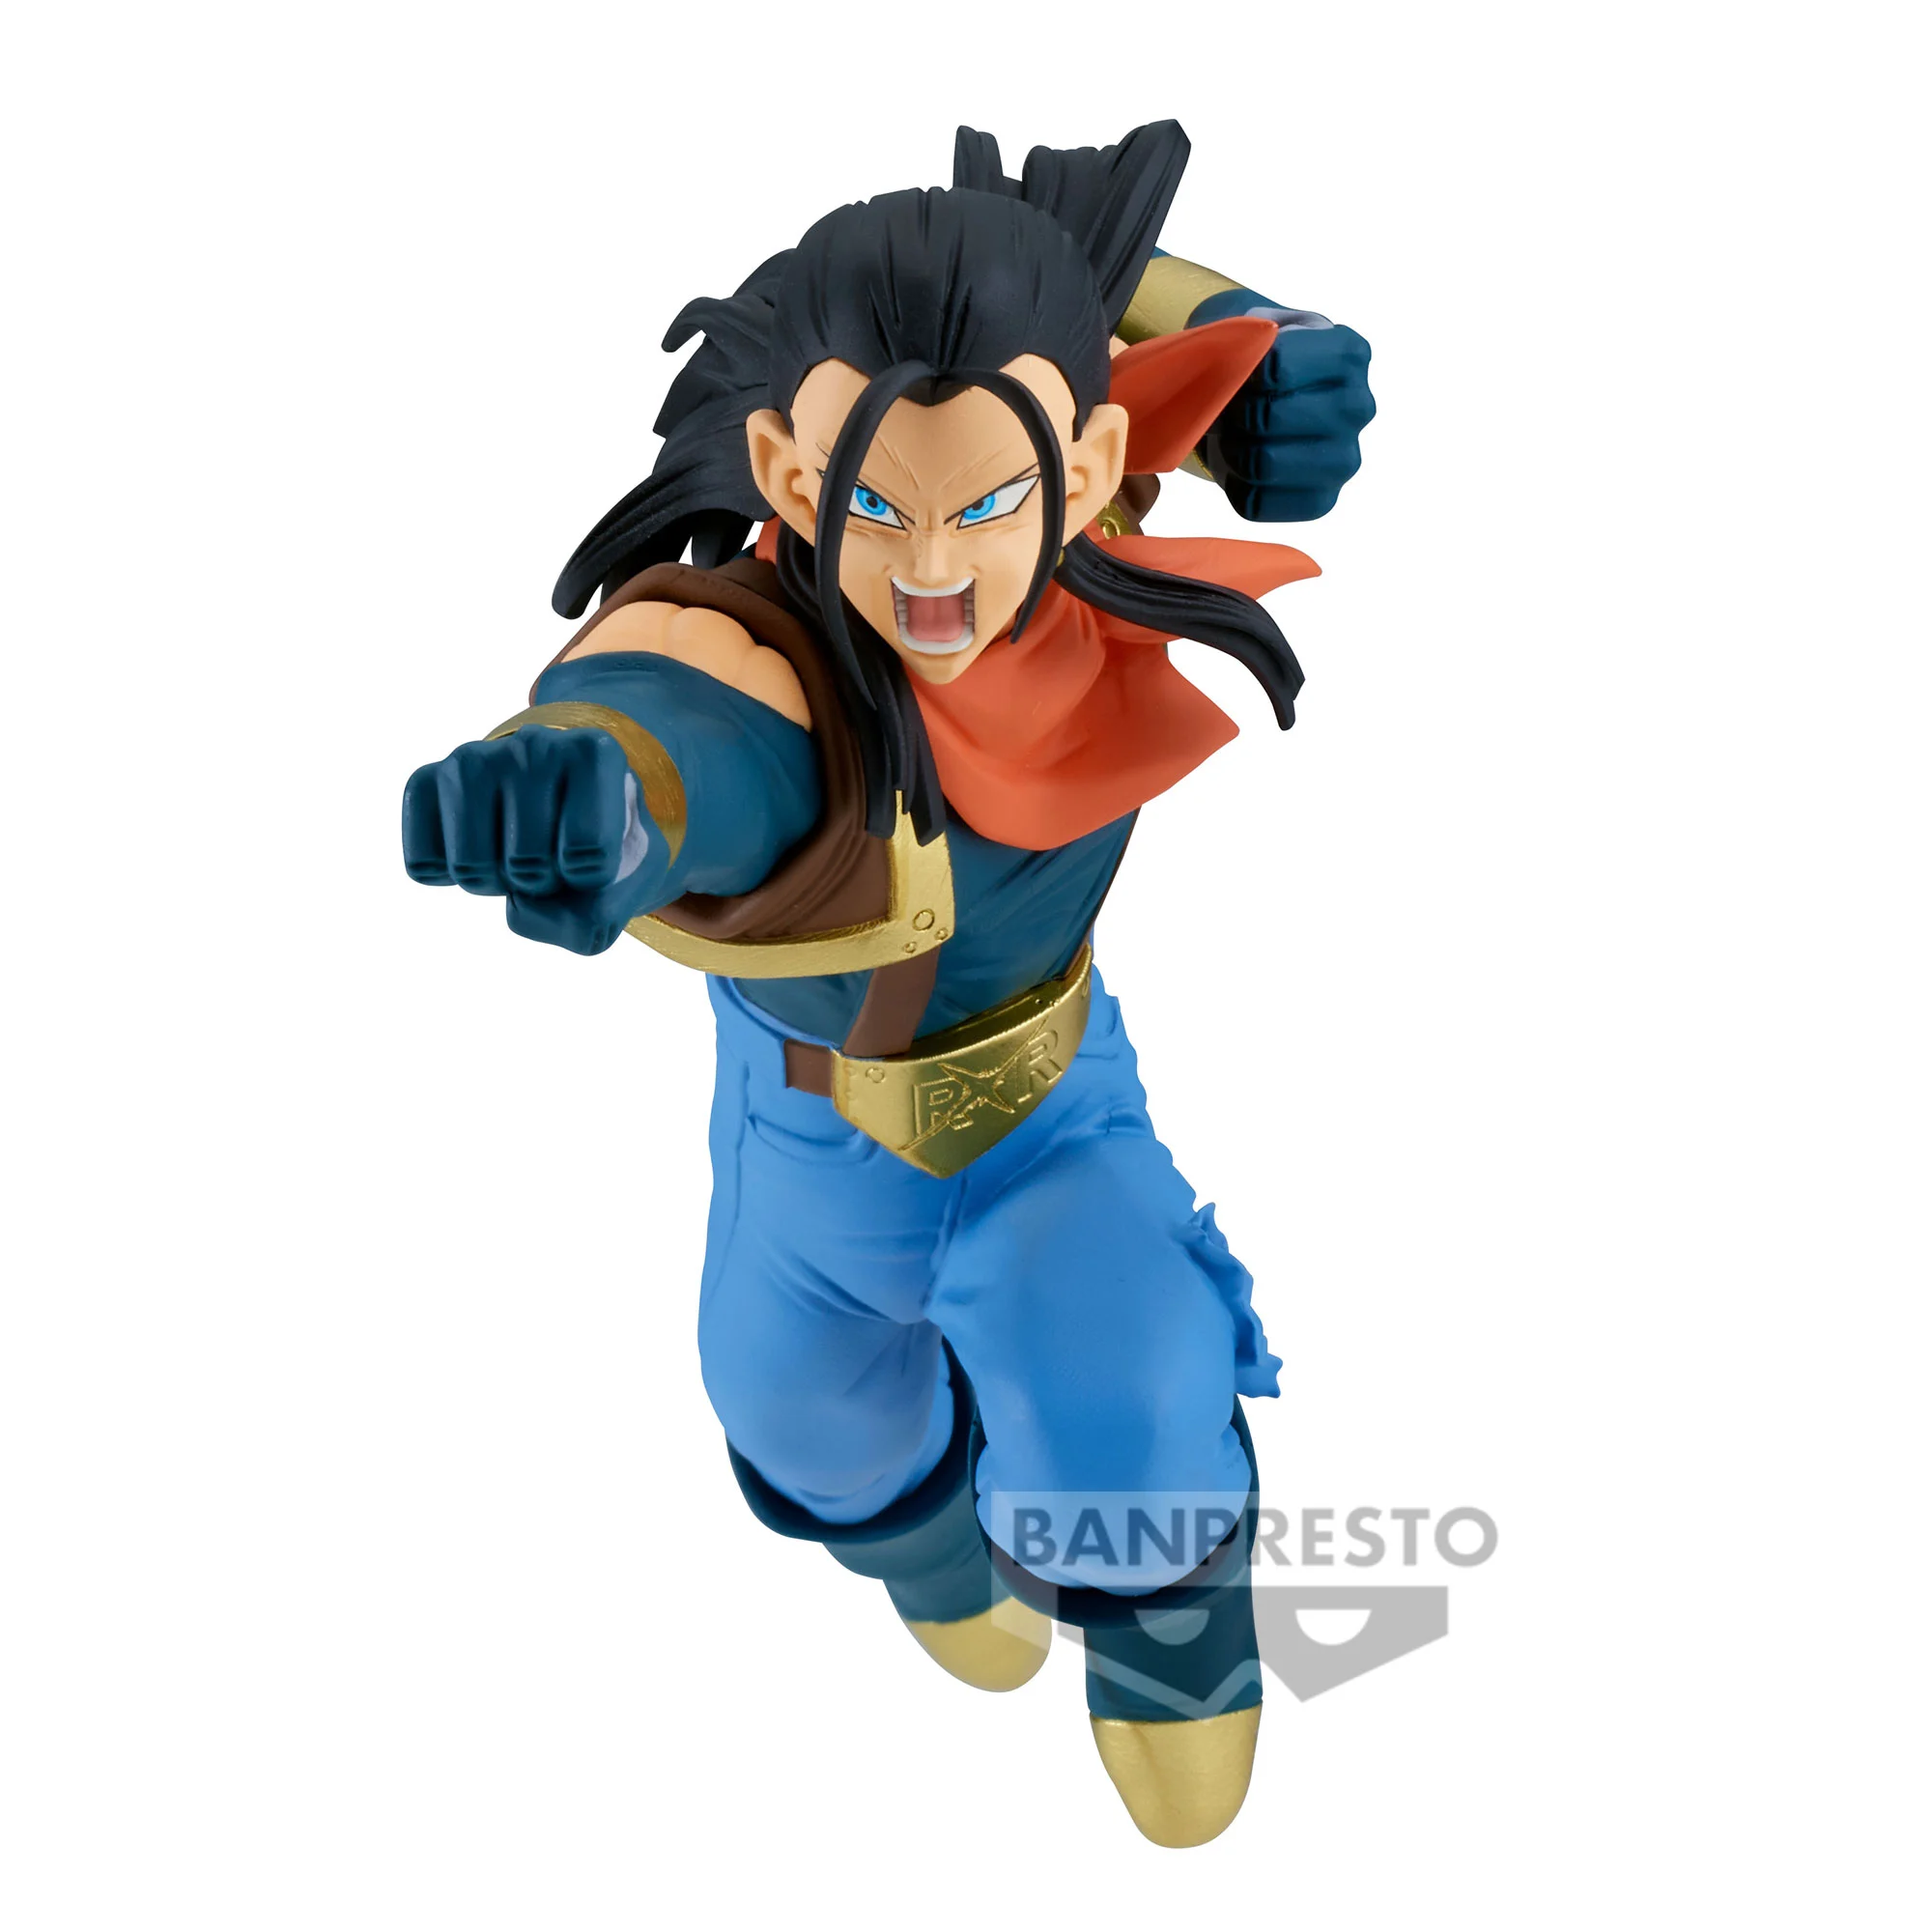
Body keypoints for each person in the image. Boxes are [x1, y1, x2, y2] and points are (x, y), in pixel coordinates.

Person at [402, 121, 1374, 1846]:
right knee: (801, 1420)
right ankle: (936, 1550)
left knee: (1128, 1412)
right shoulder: (764, 639)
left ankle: (1163, 1635)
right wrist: (595, 779)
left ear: (1086, 465)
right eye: (876, 507)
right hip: (801, 1157)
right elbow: (683, 705)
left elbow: (1087, 258)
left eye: (984, 507)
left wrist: (1260, 342)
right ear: (789, 480)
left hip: (1044, 1117)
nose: (931, 570)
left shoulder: (1093, 531)